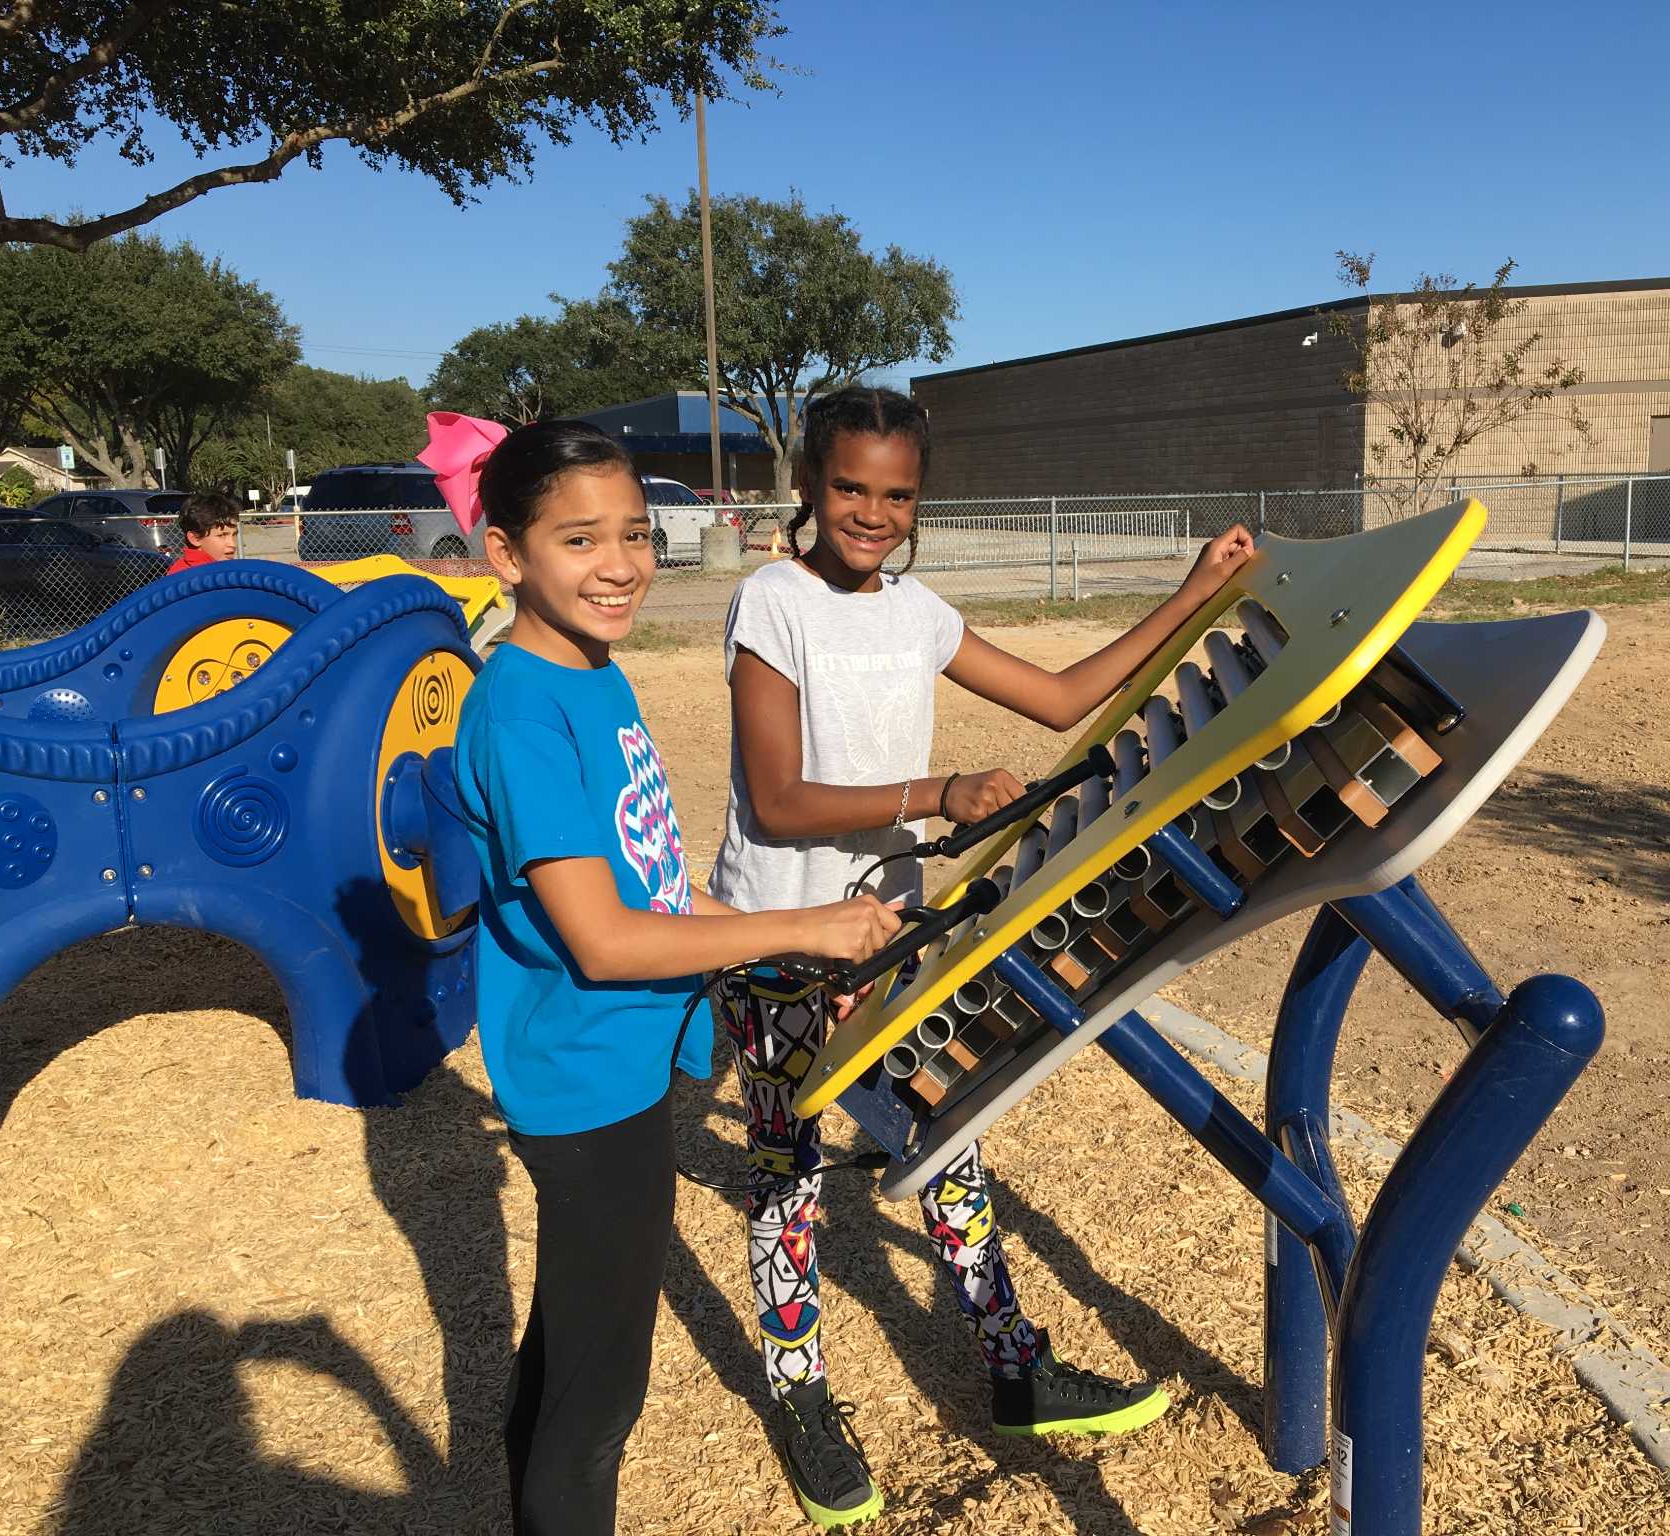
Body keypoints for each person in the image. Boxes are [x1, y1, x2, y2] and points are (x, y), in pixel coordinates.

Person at [710, 386, 1256, 1528]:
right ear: (810, 485)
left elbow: (1061, 701)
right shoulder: (772, 604)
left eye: (895, 495)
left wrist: (1195, 593)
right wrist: (936, 793)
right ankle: (801, 1389)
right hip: (780, 938)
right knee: (787, 1167)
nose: (871, 512)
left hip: (890, 929)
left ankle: (1012, 1364)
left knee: (944, 1129)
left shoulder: (918, 614)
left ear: (919, 501)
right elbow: (775, 798)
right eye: (850, 487)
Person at [442, 415, 904, 1536]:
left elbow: (655, 887)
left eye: (637, 535)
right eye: (579, 540)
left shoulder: (594, 674)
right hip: (586, 1085)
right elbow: (602, 939)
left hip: (628, 1066)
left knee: (567, 1355)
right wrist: (801, 922)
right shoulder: (523, 711)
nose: (620, 566)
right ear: (507, 554)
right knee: (601, 1400)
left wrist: (790, 938)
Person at [165, 492, 239, 573]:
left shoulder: (222, 568)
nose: (232, 544)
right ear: (195, 538)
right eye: (221, 535)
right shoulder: (191, 576)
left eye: (234, 534)